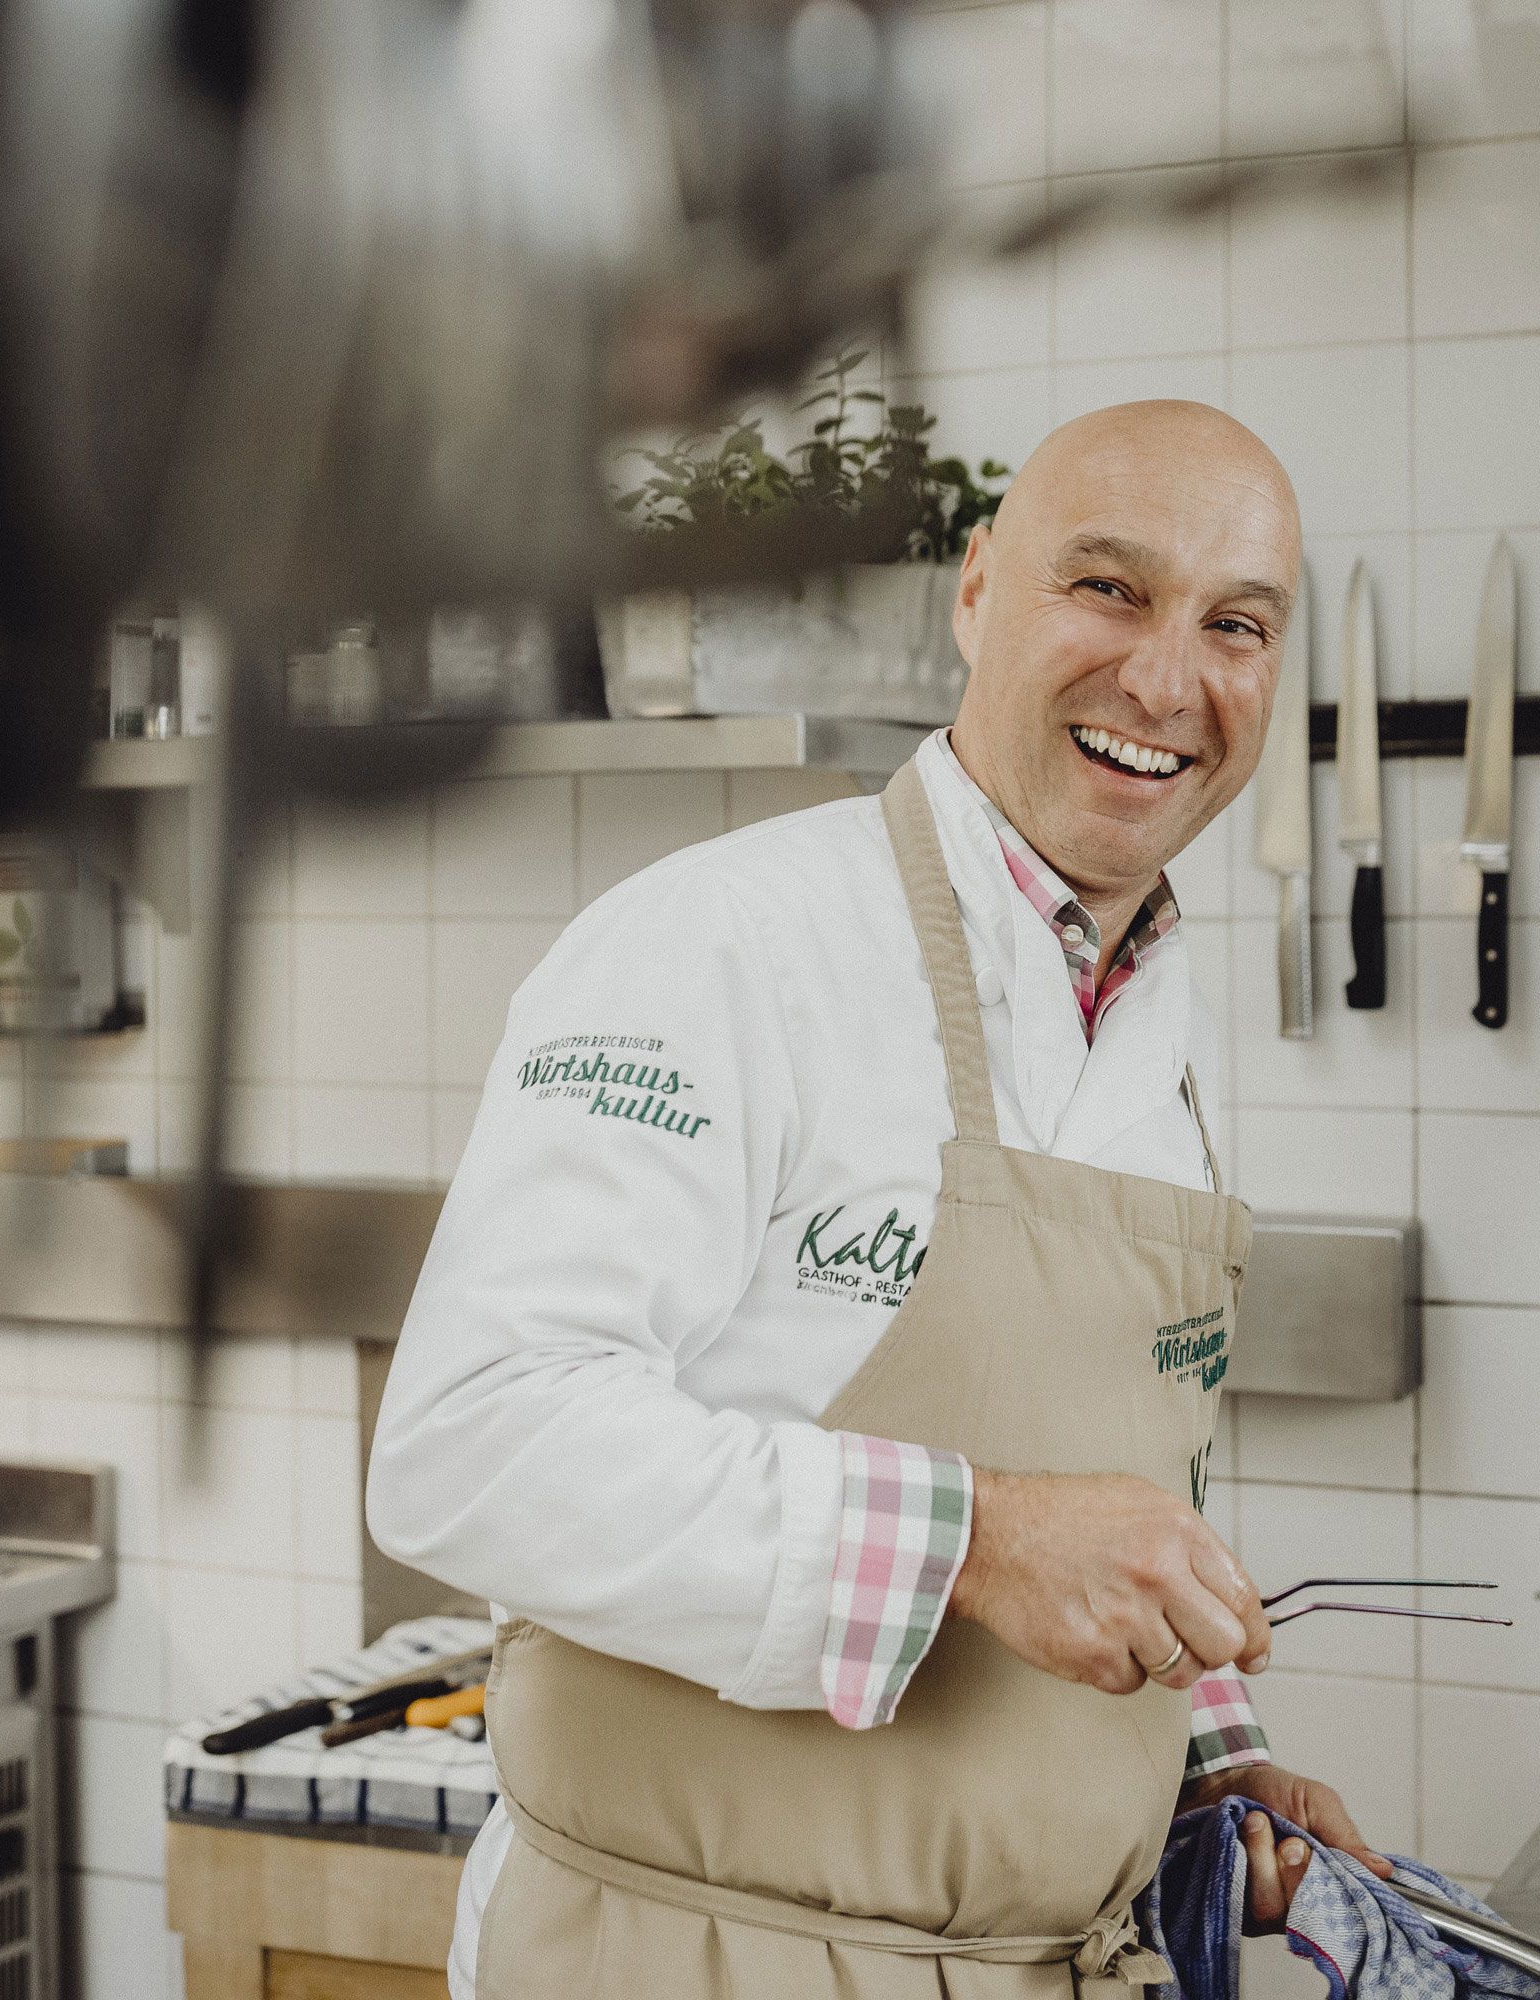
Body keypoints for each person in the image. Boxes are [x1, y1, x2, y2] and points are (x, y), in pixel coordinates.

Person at [369, 399, 1385, 1998]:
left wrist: (1207, 1753)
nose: (1169, 680)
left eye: (1235, 625)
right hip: (696, 1956)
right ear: (976, 590)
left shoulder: (1158, 1027)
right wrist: (975, 1540)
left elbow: (1116, 1495)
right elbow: (472, 1442)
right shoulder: (720, 944)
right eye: (1108, 590)